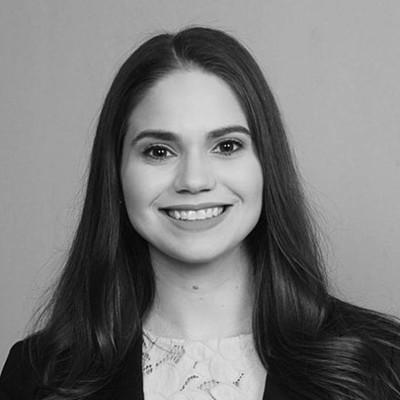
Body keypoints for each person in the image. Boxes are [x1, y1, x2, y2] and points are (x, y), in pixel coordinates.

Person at [1, 26, 399, 400]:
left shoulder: (383, 364)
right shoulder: (36, 377)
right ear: (116, 174)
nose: (194, 180)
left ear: (266, 165)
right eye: (159, 151)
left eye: (226, 146)